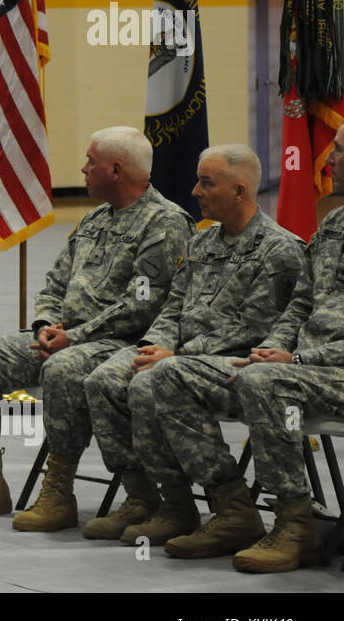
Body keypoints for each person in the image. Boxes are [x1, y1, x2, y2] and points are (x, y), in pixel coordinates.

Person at [0, 126, 194, 528]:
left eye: (91, 161)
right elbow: (55, 282)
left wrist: (74, 337)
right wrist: (46, 324)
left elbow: (142, 305)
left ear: (116, 169)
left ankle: (59, 490)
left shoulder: (165, 222)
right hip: (63, 338)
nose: (83, 169)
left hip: (120, 343)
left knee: (63, 369)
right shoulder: (94, 220)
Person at [83, 144, 307, 550]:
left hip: (242, 365)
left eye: (206, 183)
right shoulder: (203, 245)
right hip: (181, 357)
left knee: (152, 381)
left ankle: (232, 508)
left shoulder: (280, 250)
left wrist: (180, 355)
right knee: (106, 378)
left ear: (240, 191)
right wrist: (157, 344)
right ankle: (166, 502)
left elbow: (255, 328)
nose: (194, 191)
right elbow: (173, 306)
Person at [231, 138, 344, 572]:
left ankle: (294, 524)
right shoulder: (334, 224)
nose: (329, 158)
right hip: (312, 369)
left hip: (327, 369)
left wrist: (295, 363)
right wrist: (275, 347)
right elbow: (300, 303)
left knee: (264, 382)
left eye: (340, 149)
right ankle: (229, 510)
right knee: (184, 375)